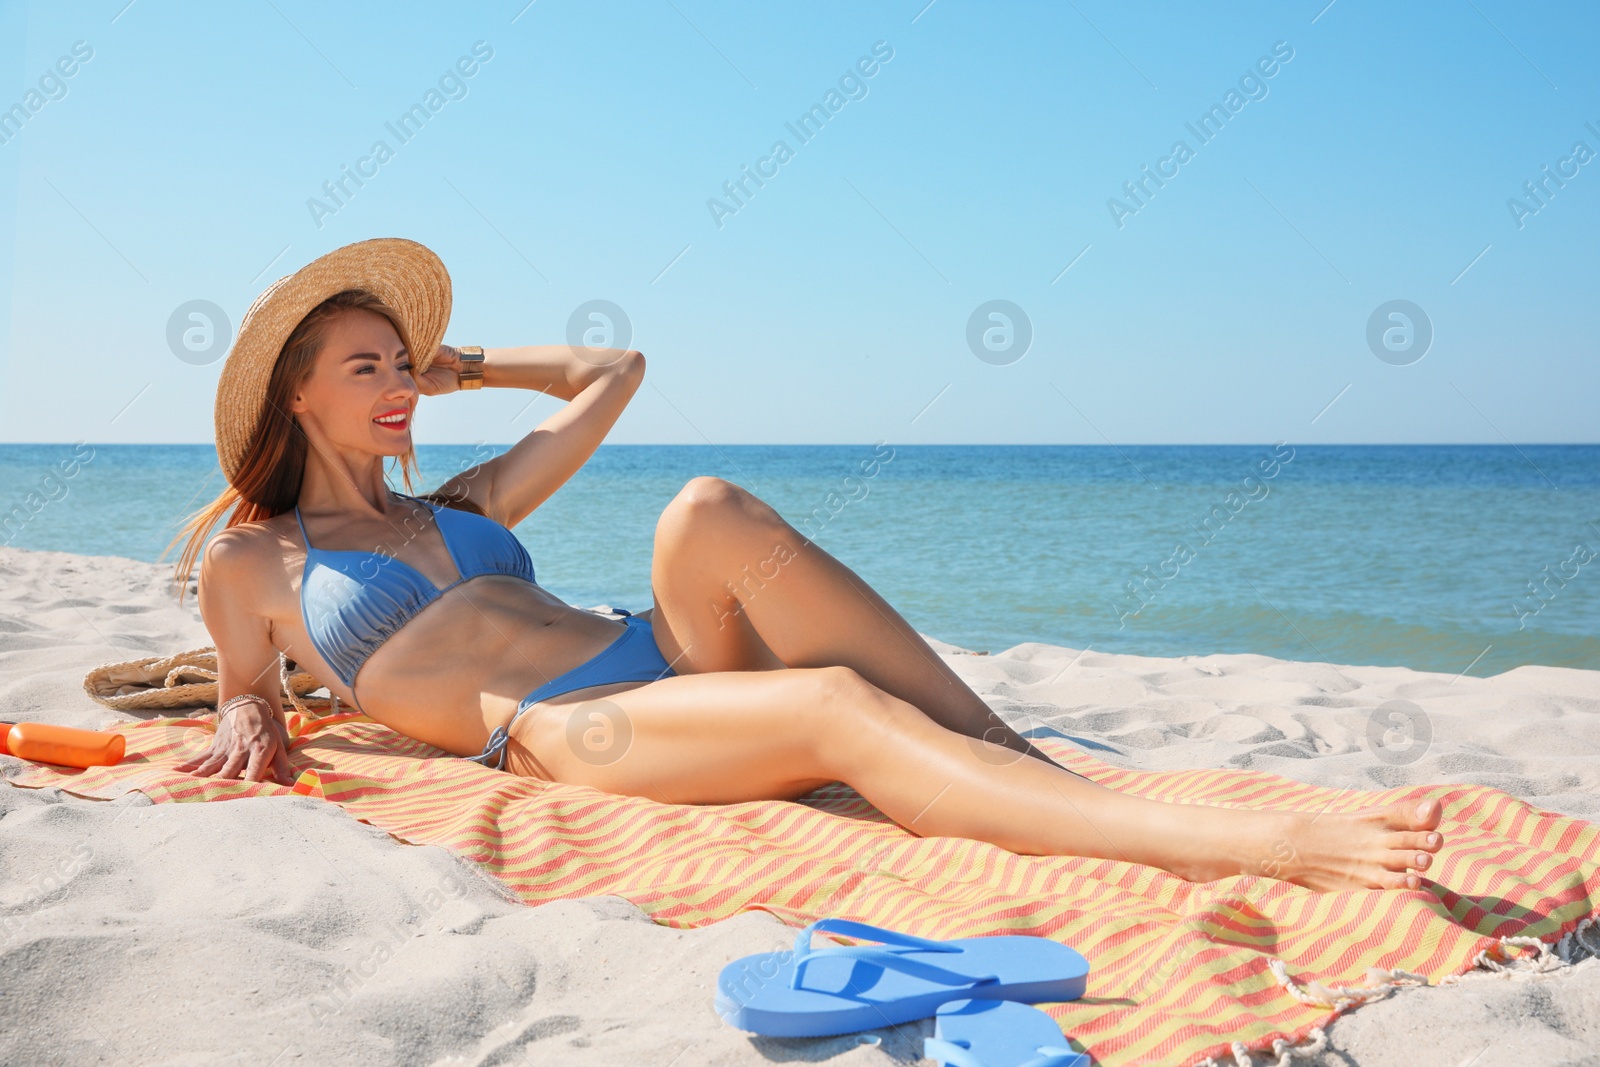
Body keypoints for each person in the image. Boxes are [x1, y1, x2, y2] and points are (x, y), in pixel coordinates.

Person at [170, 238, 1444, 893]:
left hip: (658, 653)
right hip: (570, 729)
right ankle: (1245, 848)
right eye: (368, 368)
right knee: (834, 708)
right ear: (295, 396)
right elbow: (249, 687)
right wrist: (246, 704)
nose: (400, 388)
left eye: (403, 364)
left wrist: (473, 362)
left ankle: (1005, 749)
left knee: (706, 507)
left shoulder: (461, 501)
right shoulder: (258, 557)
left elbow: (617, 372)